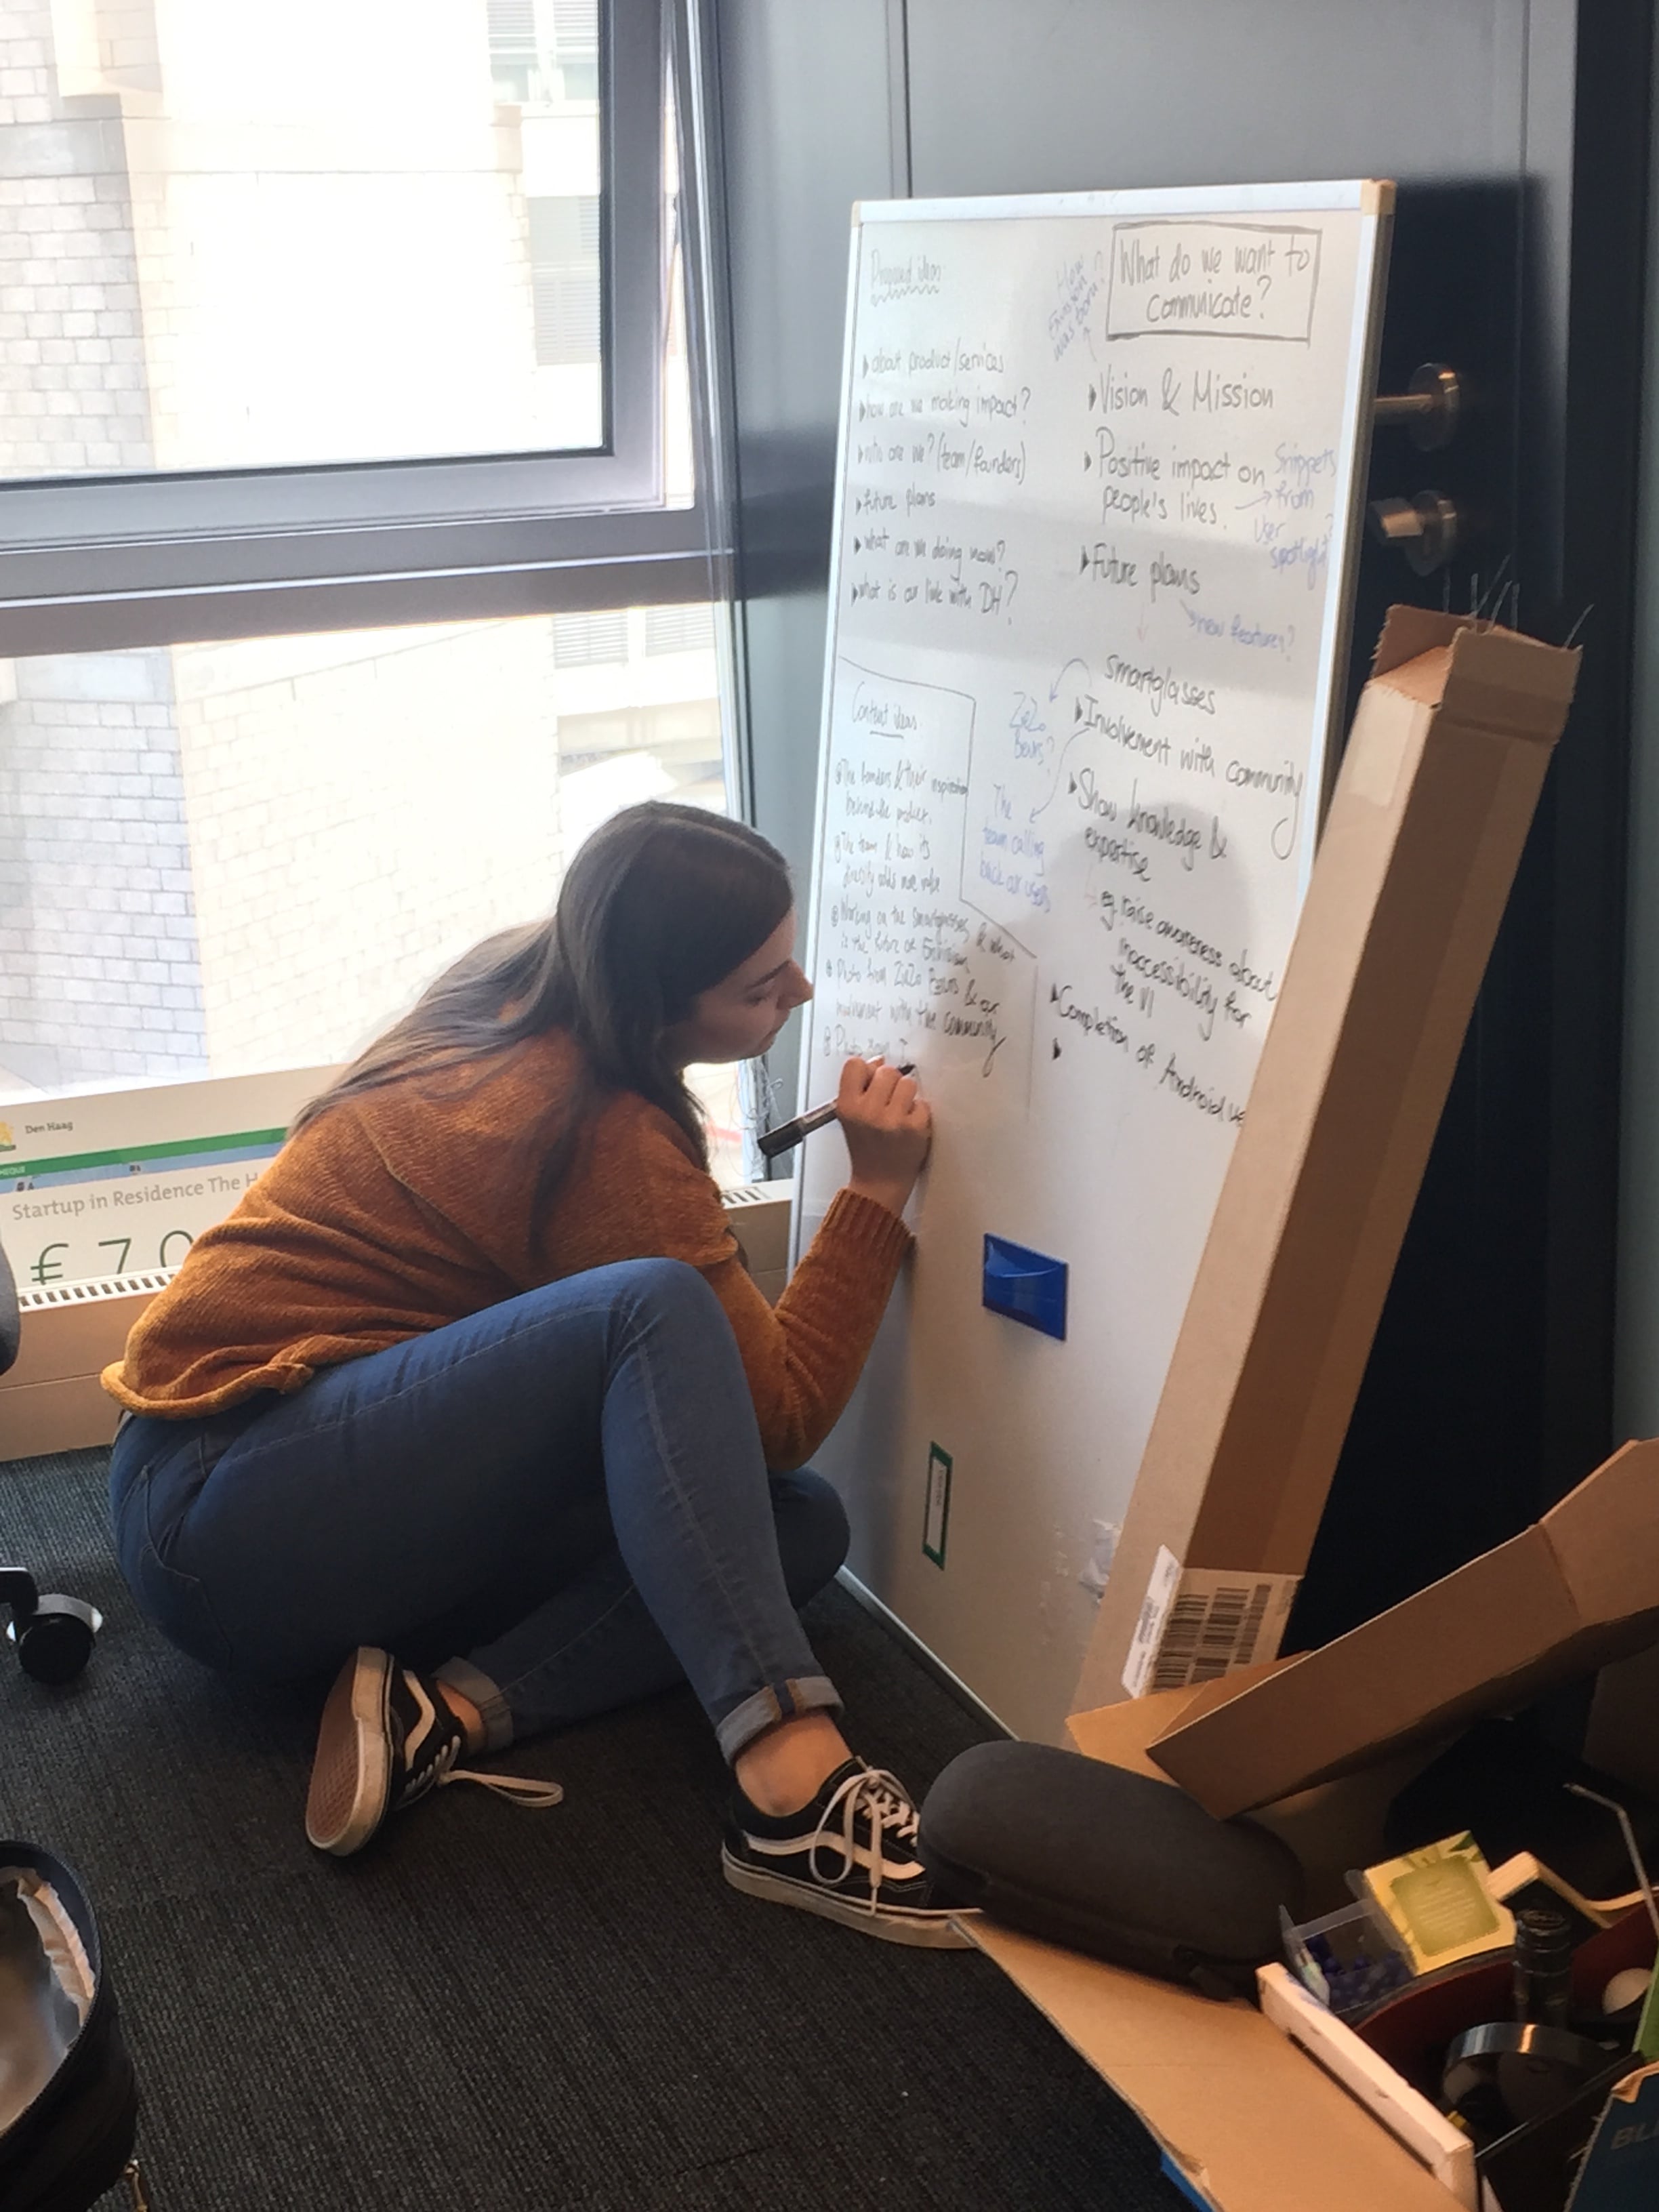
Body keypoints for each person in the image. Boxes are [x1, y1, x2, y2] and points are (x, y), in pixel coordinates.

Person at [103, 801, 967, 1948]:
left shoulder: (522, 976)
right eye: (764, 987)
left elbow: (751, 1451)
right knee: (652, 1307)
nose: (801, 994)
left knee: (794, 1526)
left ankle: (444, 1712)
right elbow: (785, 1411)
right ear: (661, 1005)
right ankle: (792, 1792)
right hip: (222, 1505)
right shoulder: (591, 1123)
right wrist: (874, 1194)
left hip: (309, 1483)